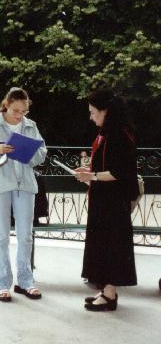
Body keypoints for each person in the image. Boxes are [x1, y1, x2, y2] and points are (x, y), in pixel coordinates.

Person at [0, 87, 47, 302]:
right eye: (15, 110)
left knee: (25, 235)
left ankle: (26, 282)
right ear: (6, 105)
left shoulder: (31, 126)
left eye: (24, 111)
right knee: (1, 236)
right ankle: (2, 283)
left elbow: (42, 153)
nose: (19, 115)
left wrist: (28, 154)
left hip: (25, 186)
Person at [74, 89, 138, 311]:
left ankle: (109, 295)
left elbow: (120, 171)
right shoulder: (109, 132)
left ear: (106, 111)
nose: (91, 117)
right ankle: (106, 290)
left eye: (93, 112)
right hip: (104, 200)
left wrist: (90, 176)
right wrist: (88, 174)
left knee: (111, 246)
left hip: (113, 202)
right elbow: (104, 167)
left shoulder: (119, 134)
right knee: (103, 244)